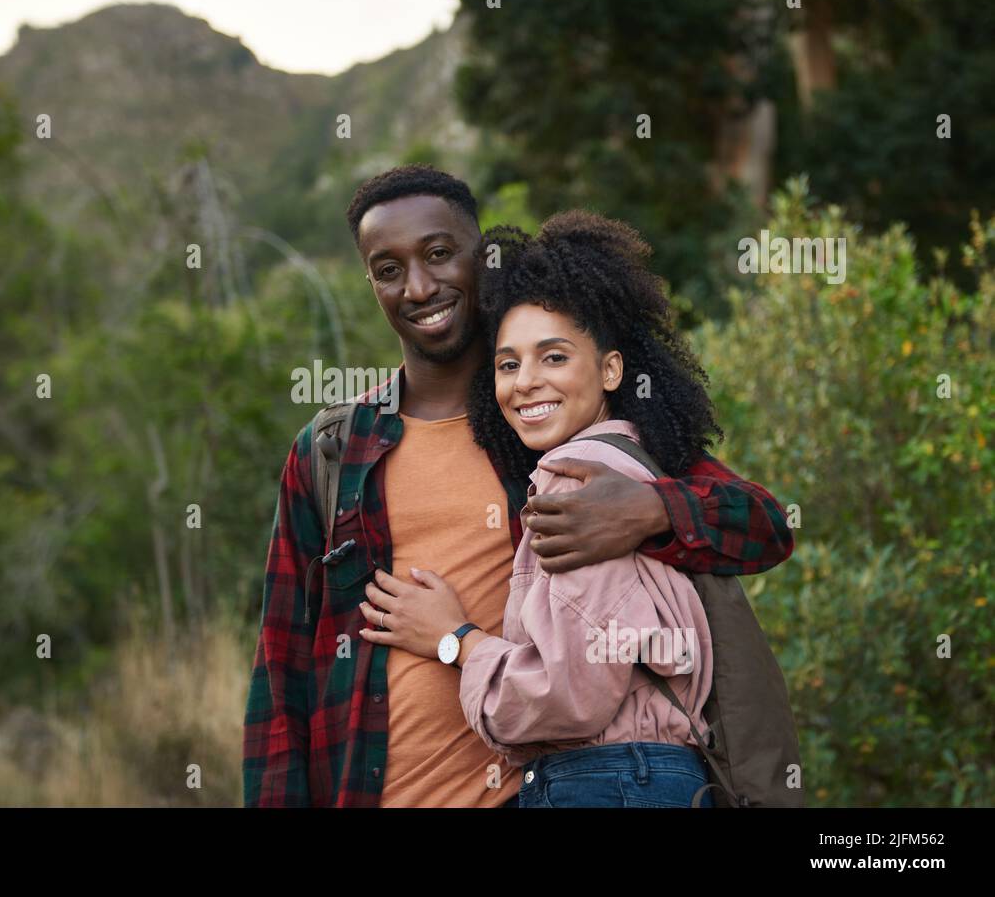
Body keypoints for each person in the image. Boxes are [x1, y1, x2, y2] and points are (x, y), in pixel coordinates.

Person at [242, 165, 792, 807]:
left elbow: (763, 526)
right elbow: (282, 677)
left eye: (440, 254)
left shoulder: (555, 428)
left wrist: (650, 510)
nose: (419, 287)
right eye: (388, 269)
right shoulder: (333, 452)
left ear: (482, 258)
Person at [360, 212, 729, 806]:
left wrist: (454, 639)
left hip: (604, 783)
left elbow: (566, 696)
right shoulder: (640, 466)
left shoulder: (578, 483)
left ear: (611, 369)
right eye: (508, 364)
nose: (526, 381)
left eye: (554, 357)